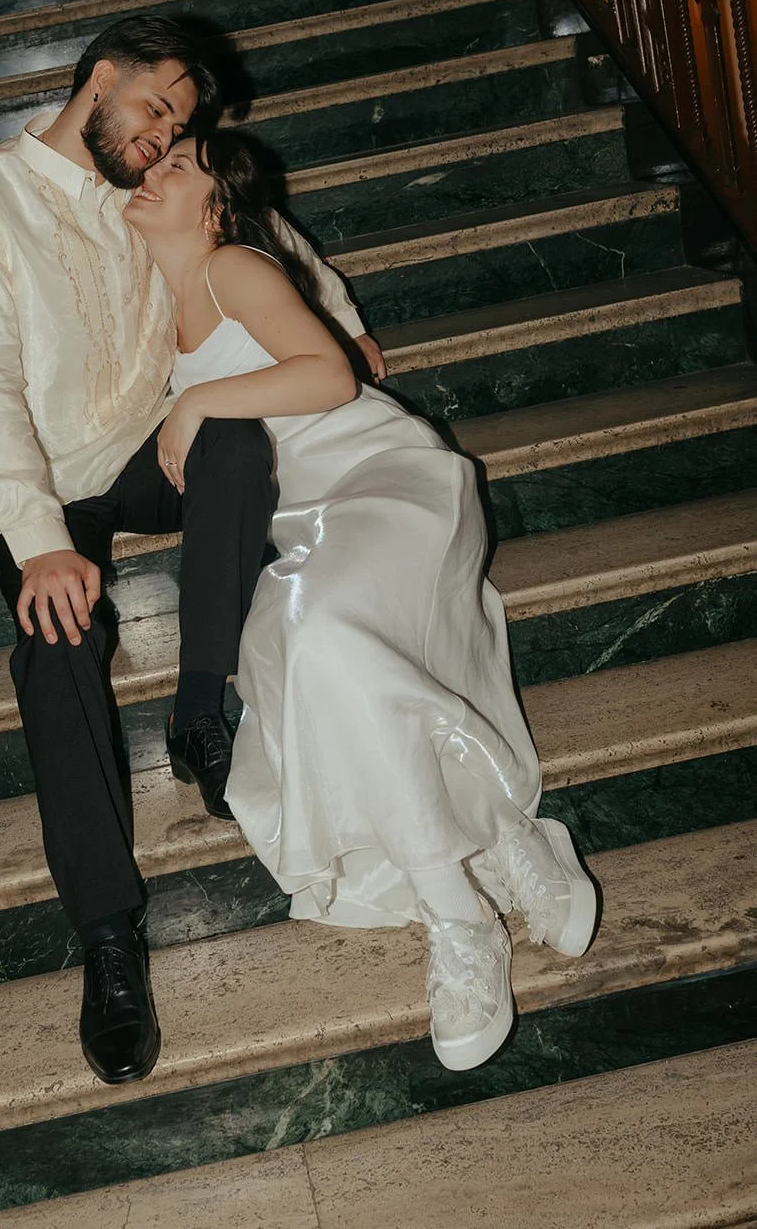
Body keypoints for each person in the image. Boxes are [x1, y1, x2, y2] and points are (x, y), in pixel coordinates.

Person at [0, 16, 383, 1086]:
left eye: (176, 123)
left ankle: (199, 710)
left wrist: (338, 314)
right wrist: (41, 544)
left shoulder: (147, 185)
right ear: (98, 80)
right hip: (44, 478)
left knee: (233, 437)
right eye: (155, 106)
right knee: (54, 645)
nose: (162, 135)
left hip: (147, 443)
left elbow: (254, 223)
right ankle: (108, 938)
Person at [124, 130, 598, 1073]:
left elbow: (328, 374)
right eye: (149, 163)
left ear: (216, 207)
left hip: (385, 481)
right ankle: (499, 844)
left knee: (325, 631)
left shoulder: (231, 265)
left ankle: (459, 917)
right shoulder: (150, 305)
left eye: (175, 165)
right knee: (297, 653)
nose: (150, 172)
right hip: (309, 531)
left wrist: (193, 405)